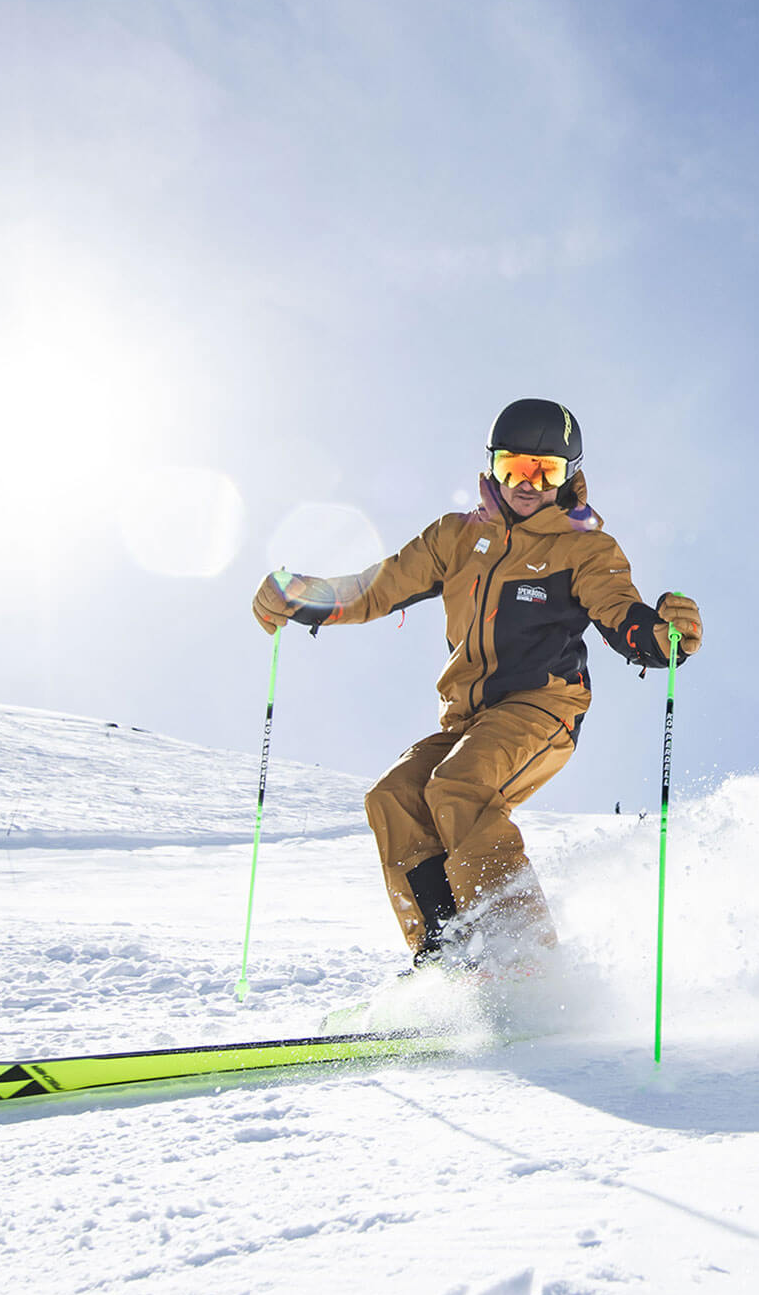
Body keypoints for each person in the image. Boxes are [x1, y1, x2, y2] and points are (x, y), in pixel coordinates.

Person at [251, 399, 703, 970]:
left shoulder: (584, 547)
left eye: (547, 472)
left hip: (544, 707)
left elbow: (619, 611)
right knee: (392, 797)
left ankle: (524, 961)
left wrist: (660, 635)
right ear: (492, 465)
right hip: (467, 717)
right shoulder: (454, 538)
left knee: (458, 787)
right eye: (516, 467)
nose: (528, 485)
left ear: (569, 476)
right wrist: (303, 596)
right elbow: (378, 587)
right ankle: (446, 962)